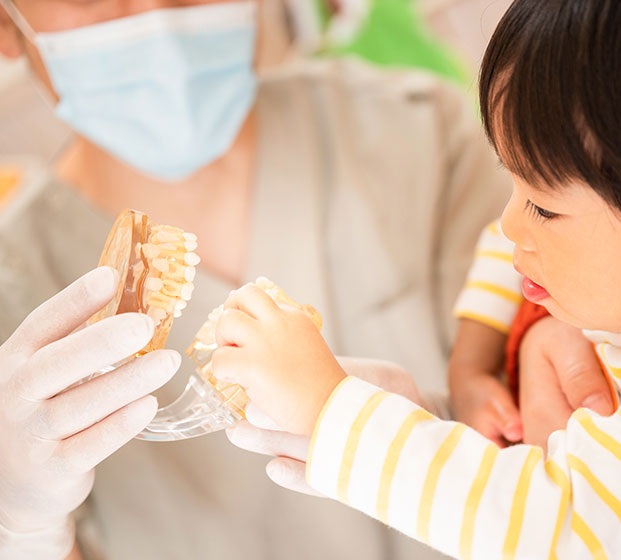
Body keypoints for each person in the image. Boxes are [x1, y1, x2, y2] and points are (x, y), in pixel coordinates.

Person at [213, 0, 621, 558]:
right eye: (512, 183)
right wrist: (446, 394)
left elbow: (549, 523)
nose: (506, 222)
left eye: (543, 207)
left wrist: (333, 413)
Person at [0, 0, 522, 558]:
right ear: (7, 24)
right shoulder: (15, 292)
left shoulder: (419, 132)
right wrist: (22, 529)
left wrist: (558, 332)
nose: (155, 13)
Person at [448, 218, 615, 448]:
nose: (511, 219)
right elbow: (505, 237)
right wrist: (468, 378)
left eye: (542, 208)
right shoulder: (515, 234)